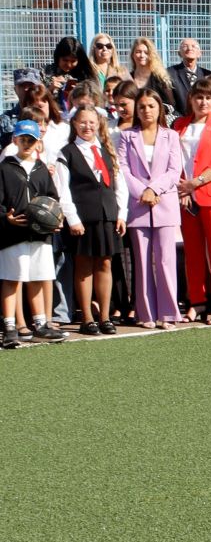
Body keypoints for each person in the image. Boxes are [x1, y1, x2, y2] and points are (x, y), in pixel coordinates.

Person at [118, 87, 186, 329]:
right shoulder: (127, 136)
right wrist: (142, 192)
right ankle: (146, 313)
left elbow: (174, 170)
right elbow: (123, 169)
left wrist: (154, 190)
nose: (147, 110)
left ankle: (169, 313)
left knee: (166, 261)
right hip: (138, 206)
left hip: (164, 205)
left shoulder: (171, 136)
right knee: (143, 262)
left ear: (160, 109)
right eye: (142, 106)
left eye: (151, 106)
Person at [57, 104, 124, 334]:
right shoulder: (66, 153)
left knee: (105, 263)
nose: (87, 126)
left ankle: (105, 316)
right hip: (83, 218)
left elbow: (119, 184)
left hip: (107, 216)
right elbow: (62, 190)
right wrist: (72, 218)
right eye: (82, 122)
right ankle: (87, 318)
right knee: (84, 266)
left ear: (98, 124)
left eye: (92, 122)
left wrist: (121, 214)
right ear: (74, 124)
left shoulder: (107, 149)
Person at [173, 76, 211, 322]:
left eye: (208, 97)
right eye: (199, 97)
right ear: (191, 99)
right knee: (193, 252)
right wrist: (185, 189)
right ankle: (197, 300)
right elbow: (174, 158)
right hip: (187, 197)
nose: (203, 102)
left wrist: (195, 183)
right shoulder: (179, 124)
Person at [0, 120, 65, 347]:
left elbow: (53, 198)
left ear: (39, 142)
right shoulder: (5, 167)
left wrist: (57, 219)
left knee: (38, 276)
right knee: (12, 278)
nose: (27, 143)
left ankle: (40, 324)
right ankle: (9, 327)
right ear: (15, 140)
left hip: (40, 235)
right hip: (13, 234)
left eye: (31, 139)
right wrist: (5, 218)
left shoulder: (41, 169)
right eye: (23, 139)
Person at [125, 38, 174, 115]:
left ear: (151, 55)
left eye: (146, 52)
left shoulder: (160, 78)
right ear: (133, 55)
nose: (142, 55)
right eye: (138, 52)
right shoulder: (127, 78)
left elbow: (170, 105)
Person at [165, 39, 203, 117]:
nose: (190, 49)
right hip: (178, 121)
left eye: (193, 46)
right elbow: (168, 103)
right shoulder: (169, 73)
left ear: (200, 53)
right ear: (179, 53)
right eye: (185, 46)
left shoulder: (207, 75)